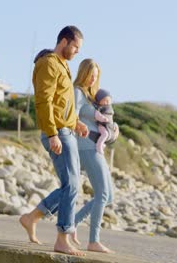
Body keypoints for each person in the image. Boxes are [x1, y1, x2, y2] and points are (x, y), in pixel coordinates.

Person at [19, 25, 88, 256]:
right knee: (71, 186)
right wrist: (52, 134)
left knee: (71, 186)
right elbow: (44, 101)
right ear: (65, 42)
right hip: (57, 132)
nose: (77, 52)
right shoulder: (49, 63)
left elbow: (61, 102)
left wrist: (75, 121)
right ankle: (62, 239)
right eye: (76, 47)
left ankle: (32, 218)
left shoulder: (63, 65)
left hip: (66, 130)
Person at [71, 59, 119, 253]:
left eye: (96, 76)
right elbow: (72, 117)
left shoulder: (92, 97)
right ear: (83, 73)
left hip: (96, 148)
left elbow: (102, 125)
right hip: (86, 148)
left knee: (109, 197)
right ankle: (93, 241)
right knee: (103, 194)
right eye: (91, 75)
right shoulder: (77, 92)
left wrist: (113, 133)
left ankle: (72, 222)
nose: (93, 79)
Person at [93, 89, 118, 154]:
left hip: (109, 125)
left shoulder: (110, 108)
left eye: (108, 101)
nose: (106, 103)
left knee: (110, 133)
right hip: (102, 124)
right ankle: (99, 145)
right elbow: (96, 112)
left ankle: (102, 143)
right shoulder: (99, 107)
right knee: (105, 134)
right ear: (99, 101)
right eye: (104, 100)